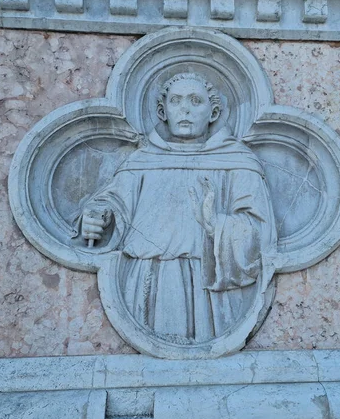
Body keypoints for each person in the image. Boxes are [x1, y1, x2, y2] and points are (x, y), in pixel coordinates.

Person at [81, 73, 277, 344]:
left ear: (213, 112)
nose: (185, 109)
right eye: (176, 101)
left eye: (196, 101)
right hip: (147, 278)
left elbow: (261, 233)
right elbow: (112, 204)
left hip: (210, 281)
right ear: (163, 111)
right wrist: (97, 218)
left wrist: (216, 223)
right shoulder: (142, 161)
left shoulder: (238, 162)